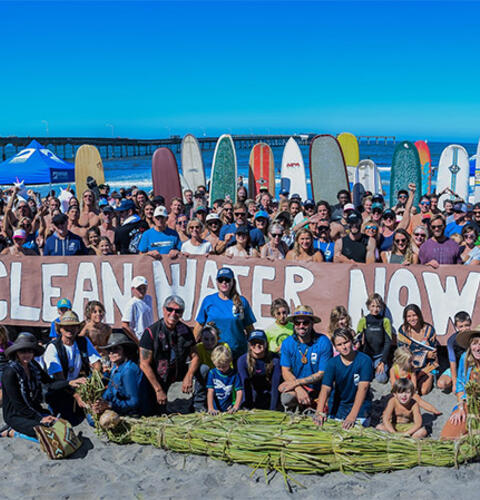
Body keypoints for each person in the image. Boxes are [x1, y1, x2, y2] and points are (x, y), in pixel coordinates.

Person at [0, 333, 82, 439]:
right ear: (16, 353)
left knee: (60, 426)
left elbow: (50, 383)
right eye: (22, 351)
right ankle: (12, 432)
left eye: (29, 351)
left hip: (33, 408)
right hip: (16, 414)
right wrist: (39, 418)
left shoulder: (33, 365)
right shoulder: (10, 373)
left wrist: (69, 383)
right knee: (48, 434)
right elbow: (18, 404)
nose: (26, 354)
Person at [139, 295, 200, 415]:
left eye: (178, 311)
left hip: (176, 372)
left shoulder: (186, 331)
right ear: (163, 309)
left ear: (182, 313)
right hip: (155, 377)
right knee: (150, 412)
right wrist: (158, 389)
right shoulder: (151, 332)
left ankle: (199, 405)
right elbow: (144, 364)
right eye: (170, 309)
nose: (173, 313)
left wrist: (189, 375)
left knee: (203, 370)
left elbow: (196, 356)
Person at [43, 311, 101, 425]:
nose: (70, 329)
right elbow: (59, 379)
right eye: (66, 327)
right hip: (60, 389)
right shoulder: (53, 347)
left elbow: (97, 363)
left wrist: (94, 381)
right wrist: (76, 395)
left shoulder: (82, 341)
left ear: (78, 328)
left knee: (93, 420)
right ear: (60, 329)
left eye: (74, 326)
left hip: (79, 385)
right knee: (65, 421)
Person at [313, 328, 373, 429]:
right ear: (335, 348)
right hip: (339, 406)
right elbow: (325, 388)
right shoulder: (332, 363)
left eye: (346, 342)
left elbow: (363, 387)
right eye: (339, 345)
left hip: (360, 407)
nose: (344, 347)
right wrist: (319, 412)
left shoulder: (364, 360)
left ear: (352, 341)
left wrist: (352, 415)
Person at [279, 305, 333, 411]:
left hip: (320, 389)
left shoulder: (323, 341)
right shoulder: (287, 343)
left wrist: (297, 383)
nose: (301, 326)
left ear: (312, 323)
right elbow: (285, 371)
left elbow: (322, 373)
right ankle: (295, 410)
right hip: (298, 388)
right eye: (297, 323)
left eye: (305, 323)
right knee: (287, 397)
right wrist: (298, 388)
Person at [195, 267, 256, 360]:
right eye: (221, 280)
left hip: (237, 352)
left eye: (227, 280)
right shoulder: (208, 300)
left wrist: (253, 350)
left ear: (233, 282)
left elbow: (249, 328)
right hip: (213, 353)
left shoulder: (241, 302)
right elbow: (199, 326)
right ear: (216, 282)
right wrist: (191, 348)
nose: (224, 282)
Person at [441, 328, 480, 440]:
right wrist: (461, 408)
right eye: (475, 344)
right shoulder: (465, 359)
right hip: (468, 405)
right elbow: (460, 385)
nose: (478, 348)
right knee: (447, 437)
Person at [90, 332, 142, 416]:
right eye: (109, 350)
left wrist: (109, 405)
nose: (111, 353)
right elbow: (110, 391)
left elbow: (134, 402)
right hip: (118, 407)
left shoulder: (128, 371)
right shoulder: (115, 368)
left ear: (125, 351)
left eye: (116, 349)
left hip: (130, 413)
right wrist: (99, 402)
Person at [397, 304, 438, 395]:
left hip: (427, 365)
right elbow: (401, 353)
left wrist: (426, 357)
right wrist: (424, 354)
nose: (412, 319)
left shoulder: (429, 330)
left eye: (414, 315)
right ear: (405, 318)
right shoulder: (403, 331)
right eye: (409, 316)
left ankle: (429, 376)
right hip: (409, 364)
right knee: (405, 388)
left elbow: (433, 353)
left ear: (419, 316)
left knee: (423, 391)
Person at [237, 330, 281, 410]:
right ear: (249, 345)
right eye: (254, 343)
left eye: (260, 342)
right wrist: (247, 408)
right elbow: (244, 385)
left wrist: (273, 410)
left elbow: (275, 385)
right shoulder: (242, 361)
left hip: (269, 394)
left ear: (266, 344)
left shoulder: (275, 359)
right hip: (253, 395)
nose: (257, 345)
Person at [389, 346, 440, 414]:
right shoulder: (393, 370)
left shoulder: (411, 369)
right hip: (399, 390)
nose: (412, 363)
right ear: (402, 361)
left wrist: (409, 392)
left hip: (409, 389)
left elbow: (414, 384)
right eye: (410, 361)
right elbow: (394, 385)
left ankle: (434, 410)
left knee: (419, 400)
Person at [355, 294, 392, 383]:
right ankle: (371, 368)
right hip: (367, 355)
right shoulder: (363, 320)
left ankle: (382, 366)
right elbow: (358, 338)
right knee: (366, 377)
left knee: (382, 379)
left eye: (378, 306)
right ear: (368, 306)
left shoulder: (385, 321)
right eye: (373, 306)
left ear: (381, 307)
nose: (375, 309)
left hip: (380, 355)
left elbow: (388, 342)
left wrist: (383, 361)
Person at [437, 311, 471, 393]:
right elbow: (452, 362)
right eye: (461, 326)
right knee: (441, 384)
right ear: (456, 327)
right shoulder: (452, 341)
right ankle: (457, 381)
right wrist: (455, 384)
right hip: (457, 367)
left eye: (467, 325)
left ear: (470, 323)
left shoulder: (474, 337)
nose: (464, 329)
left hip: (470, 367)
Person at [207, 345, 243, 415]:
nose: (221, 369)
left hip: (229, 408)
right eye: (218, 366)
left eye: (224, 366)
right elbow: (210, 391)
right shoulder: (212, 373)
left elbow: (239, 391)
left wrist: (235, 407)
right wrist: (211, 408)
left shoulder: (234, 374)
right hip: (215, 409)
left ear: (229, 361)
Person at [121, 276, 154, 344]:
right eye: (139, 288)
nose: (142, 291)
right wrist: (137, 341)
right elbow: (125, 325)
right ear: (133, 289)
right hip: (140, 339)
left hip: (150, 338)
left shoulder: (149, 299)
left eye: (144, 288)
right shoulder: (132, 304)